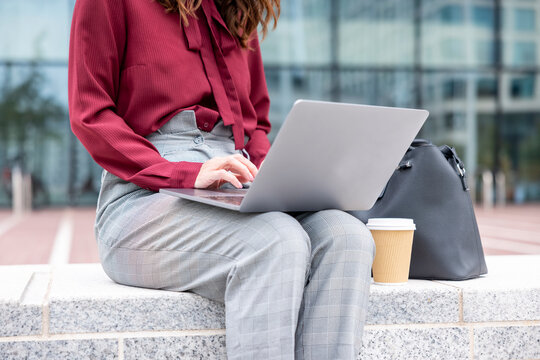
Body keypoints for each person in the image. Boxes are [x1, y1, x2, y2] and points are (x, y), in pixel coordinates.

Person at [68, 0, 375, 358]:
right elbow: (90, 114)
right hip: (141, 200)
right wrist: (185, 173)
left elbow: (255, 123)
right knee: (276, 239)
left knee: (347, 236)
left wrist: (279, 181)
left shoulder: (237, 10)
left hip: (236, 184)